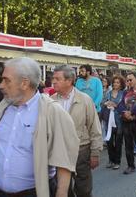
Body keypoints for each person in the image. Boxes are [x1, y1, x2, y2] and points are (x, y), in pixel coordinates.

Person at [0, 57, 80, 197]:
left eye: (6, 80)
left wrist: (62, 192)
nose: (1, 85)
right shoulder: (3, 107)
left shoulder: (52, 111)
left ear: (24, 83)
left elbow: (64, 159)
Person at [51, 65, 102, 197]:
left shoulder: (85, 100)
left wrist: (95, 153)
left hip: (81, 151)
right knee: (63, 190)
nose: (53, 81)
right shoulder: (50, 101)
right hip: (59, 152)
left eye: (57, 78)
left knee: (83, 190)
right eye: (53, 78)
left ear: (69, 81)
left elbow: (94, 128)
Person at [116, 72, 136, 175]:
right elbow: (120, 105)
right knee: (128, 144)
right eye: (127, 80)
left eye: (130, 80)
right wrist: (124, 113)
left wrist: (131, 112)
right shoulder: (126, 92)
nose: (128, 82)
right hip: (126, 121)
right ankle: (131, 165)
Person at [103, 75, 125, 170]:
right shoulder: (108, 93)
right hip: (109, 120)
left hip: (119, 120)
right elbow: (103, 102)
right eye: (114, 82)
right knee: (109, 141)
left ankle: (117, 161)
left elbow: (125, 106)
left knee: (118, 141)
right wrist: (107, 103)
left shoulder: (123, 93)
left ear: (121, 84)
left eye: (118, 82)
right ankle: (111, 160)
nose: (115, 84)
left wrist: (115, 105)